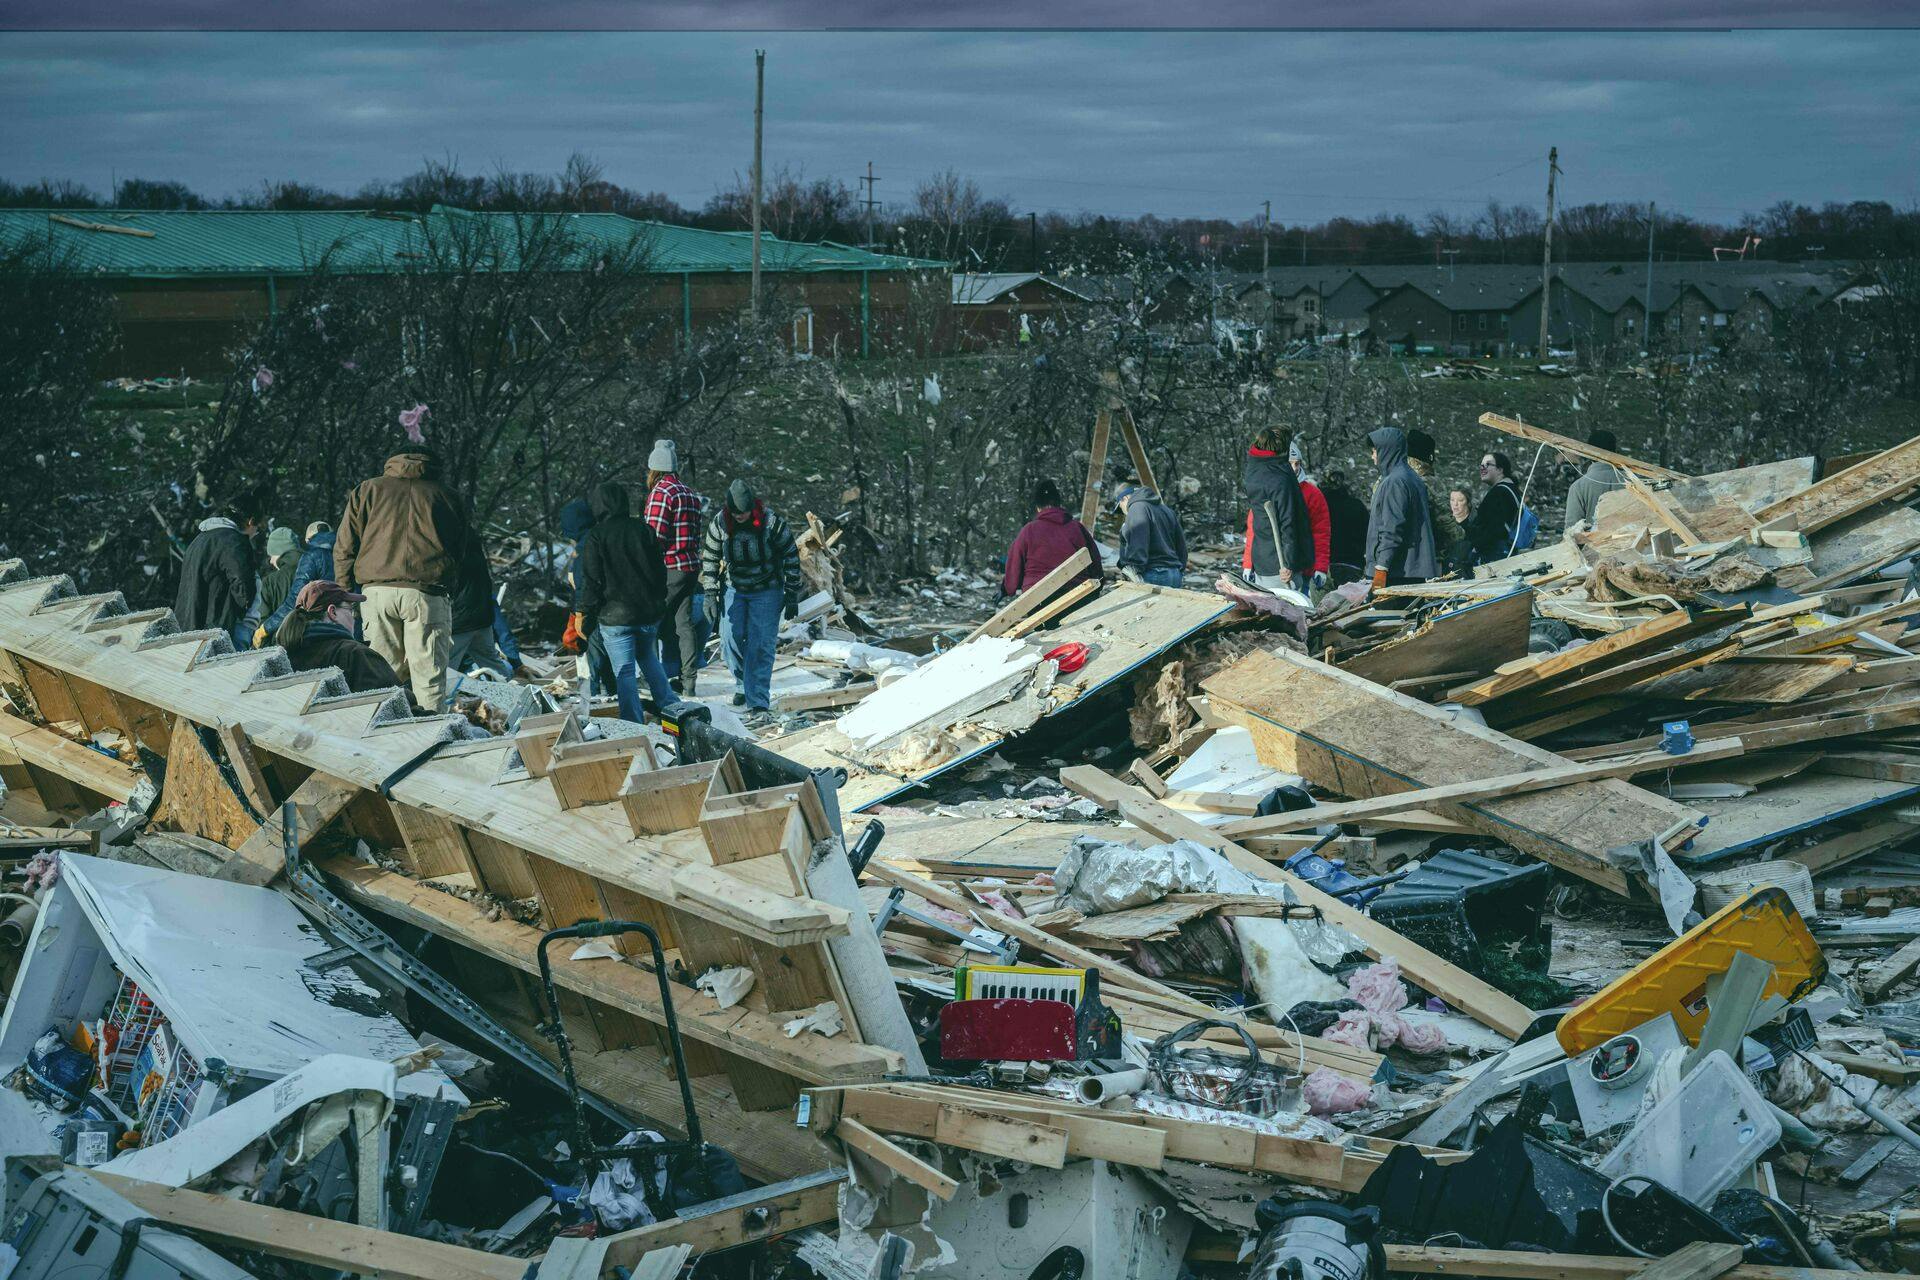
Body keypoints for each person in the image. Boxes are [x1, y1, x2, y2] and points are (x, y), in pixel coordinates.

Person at [335, 449, 471, 713]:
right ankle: (431, 743)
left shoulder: (368, 490)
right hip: (426, 593)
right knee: (428, 679)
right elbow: (461, 548)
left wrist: (343, 593)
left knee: (380, 676)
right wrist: (448, 583)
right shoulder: (446, 495)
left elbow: (344, 546)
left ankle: (381, 737)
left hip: (376, 592)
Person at [576, 481, 678, 724]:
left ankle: (632, 724)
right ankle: (673, 710)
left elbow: (592, 582)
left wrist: (583, 613)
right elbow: (659, 573)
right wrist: (658, 601)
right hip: (648, 613)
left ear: (598, 506)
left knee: (625, 673)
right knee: (651, 661)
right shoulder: (643, 529)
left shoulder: (596, 536)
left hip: (616, 617)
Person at [701, 480, 802, 715]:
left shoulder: (771, 522)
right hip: (734, 587)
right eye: (735, 513)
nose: (740, 516)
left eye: (744, 512)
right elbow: (710, 558)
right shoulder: (720, 523)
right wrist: (709, 593)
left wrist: (792, 593)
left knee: (760, 644)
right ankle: (742, 683)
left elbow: (791, 555)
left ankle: (758, 700)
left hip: (767, 589)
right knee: (729, 639)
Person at [644, 439, 706, 696]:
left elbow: (653, 537)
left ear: (654, 468)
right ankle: (689, 682)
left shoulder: (661, 493)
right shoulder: (689, 493)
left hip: (668, 567)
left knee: (650, 623)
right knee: (684, 625)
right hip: (690, 567)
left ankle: (653, 680)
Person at [273, 579, 403, 696]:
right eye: (350, 610)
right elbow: (400, 705)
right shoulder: (354, 654)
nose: (354, 617)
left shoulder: (284, 657)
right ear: (332, 612)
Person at [174, 501, 259, 648]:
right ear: (250, 521)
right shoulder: (234, 540)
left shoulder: (198, 541)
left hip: (187, 624)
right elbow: (243, 585)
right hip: (219, 627)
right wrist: (243, 610)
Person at [1241, 427, 1315, 596]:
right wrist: (1288, 564)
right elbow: (1288, 523)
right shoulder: (1278, 478)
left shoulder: (1255, 469)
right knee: (1288, 613)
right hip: (1279, 563)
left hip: (1262, 558)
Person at [1364, 427, 1438, 588]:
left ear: (1387, 450)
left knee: (1390, 613)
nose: (1373, 456)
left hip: (1397, 572)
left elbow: (1392, 528)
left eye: (1375, 451)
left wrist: (1381, 568)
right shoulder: (1410, 476)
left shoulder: (1395, 482)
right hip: (1409, 570)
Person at [1002, 480, 1101, 596]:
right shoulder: (1077, 528)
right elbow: (1096, 564)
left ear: (1038, 508)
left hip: (1037, 599)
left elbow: (1015, 565)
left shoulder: (1028, 531)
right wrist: (1097, 587)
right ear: (1058, 505)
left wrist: (1007, 589)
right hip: (1076, 594)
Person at [448, 532, 525, 680]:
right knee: (495, 666)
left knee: (444, 672)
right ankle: (508, 692)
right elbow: (502, 629)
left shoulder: (447, 566)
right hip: (482, 622)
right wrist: (515, 662)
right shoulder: (480, 568)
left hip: (459, 624)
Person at [262, 520, 337, 641]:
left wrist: (264, 629)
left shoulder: (311, 559)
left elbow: (297, 598)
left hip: (299, 637)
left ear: (308, 541)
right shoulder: (343, 555)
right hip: (341, 625)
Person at [1405, 430, 1467, 575]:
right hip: (1426, 559)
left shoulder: (1387, 479)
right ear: (1430, 456)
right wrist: (1462, 535)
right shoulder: (1430, 482)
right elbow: (1445, 523)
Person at [1114, 485, 1188, 587]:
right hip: (1174, 574)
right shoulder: (1167, 510)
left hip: (1152, 574)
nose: (1124, 511)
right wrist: (1180, 570)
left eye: (1120, 506)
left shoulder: (1136, 507)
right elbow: (1182, 547)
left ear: (1125, 498)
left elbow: (1138, 542)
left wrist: (1134, 570)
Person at [247, 524, 301, 647]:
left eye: (271, 556)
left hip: (282, 649)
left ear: (279, 553)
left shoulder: (270, 582)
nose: (271, 561)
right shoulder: (320, 570)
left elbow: (261, 625)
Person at [1289, 439, 1333, 591]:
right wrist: (1249, 564)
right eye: (1290, 463)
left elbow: (1321, 533)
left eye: (1297, 463)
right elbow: (1256, 529)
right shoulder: (1270, 491)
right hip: (1274, 569)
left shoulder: (1313, 494)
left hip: (1304, 570)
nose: (1294, 468)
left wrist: (1321, 567)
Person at [1468, 452, 1524, 564]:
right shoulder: (1510, 488)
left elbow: (1494, 528)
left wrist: (1476, 548)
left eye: (1487, 464)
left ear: (1500, 470)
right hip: (1507, 551)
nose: (1482, 468)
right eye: (1481, 465)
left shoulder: (1499, 492)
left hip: (1495, 555)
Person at [1565, 429, 1627, 531]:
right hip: (1631, 545)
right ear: (1615, 451)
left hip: (1593, 546)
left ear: (1589, 453)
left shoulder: (1578, 487)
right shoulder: (1633, 483)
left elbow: (1572, 532)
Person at [1319, 469, 1370, 582]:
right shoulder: (1357, 506)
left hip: (1325, 566)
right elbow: (1368, 535)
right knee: (1350, 599)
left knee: (1322, 600)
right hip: (1353, 564)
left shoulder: (1321, 506)